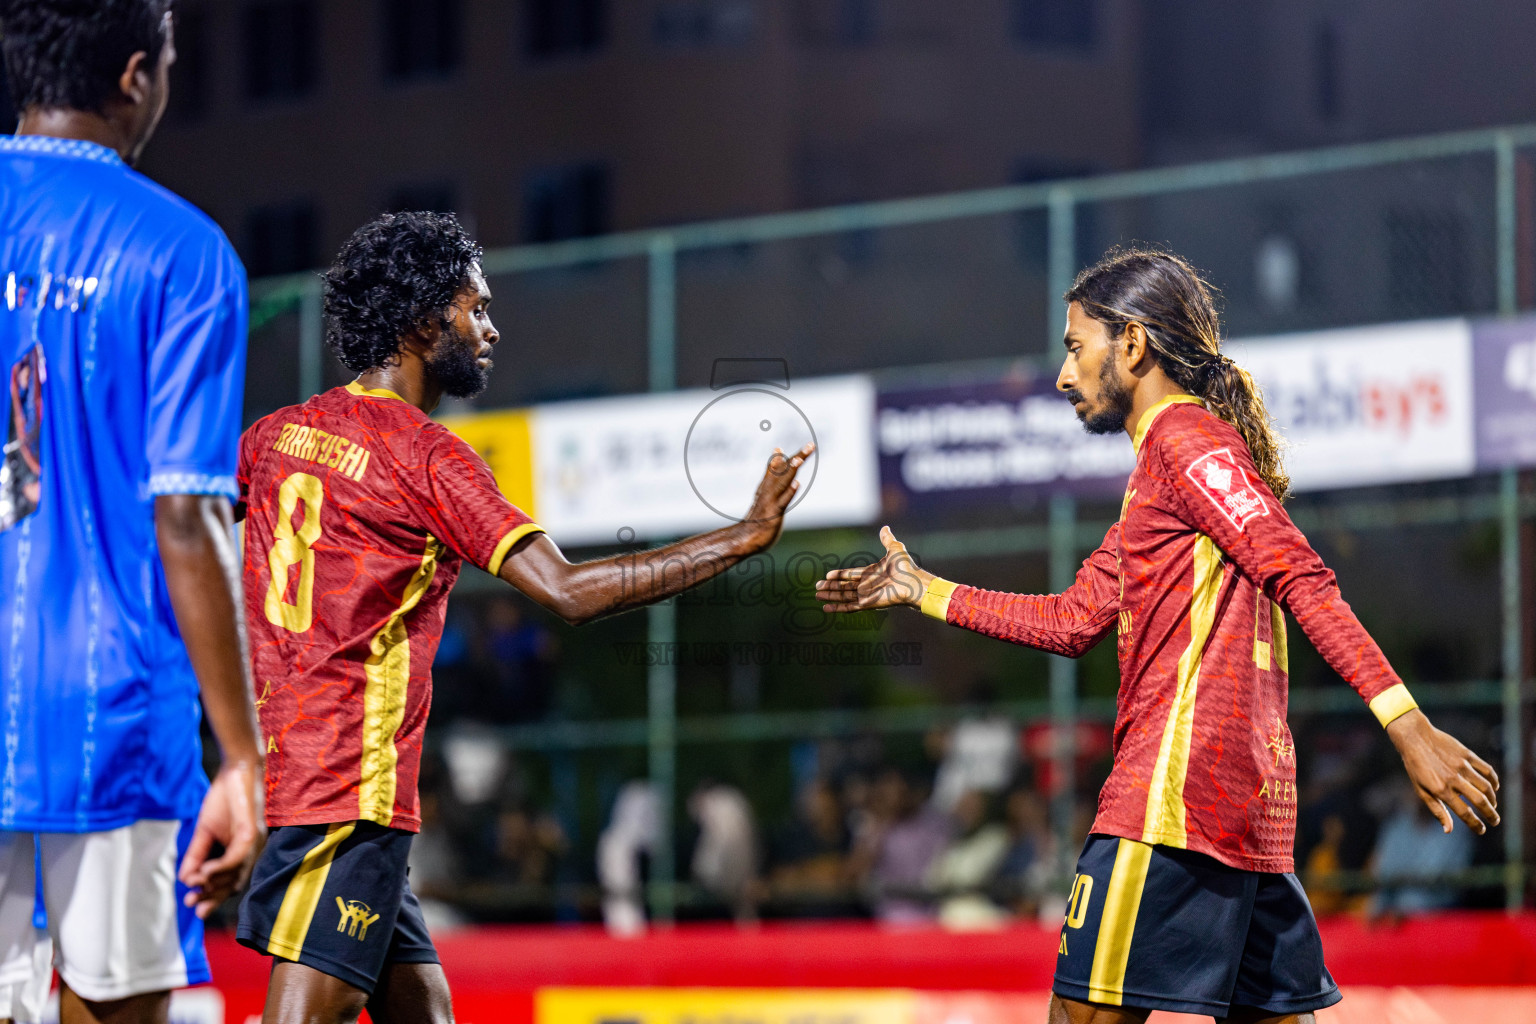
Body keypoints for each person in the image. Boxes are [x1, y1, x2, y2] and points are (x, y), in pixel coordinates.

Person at [818, 248, 1499, 1024]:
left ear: (1133, 345)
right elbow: (1073, 620)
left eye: (1076, 347)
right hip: (1243, 818)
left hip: (1168, 806)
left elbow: (1300, 575)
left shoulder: (1185, 446)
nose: (1063, 376)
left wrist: (1405, 724)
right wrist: (927, 591)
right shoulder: (1159, 480)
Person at [234, 211, 812, 1022]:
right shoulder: (425, 454)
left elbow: (184, 529)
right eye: (478, 309)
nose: (492, 330)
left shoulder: (273, 436)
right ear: (423, 320)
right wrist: (743, 538)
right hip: (347, 788)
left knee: (424, 1012)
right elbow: (568, 592)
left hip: (311, 773)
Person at [0, 2, 264, 1022]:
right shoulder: (183, 255)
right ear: (134, 75)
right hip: (113, 725)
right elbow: (189, 515)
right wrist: (244, 757)